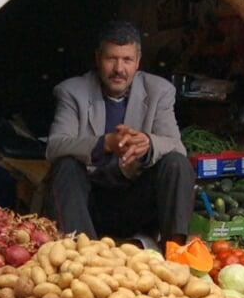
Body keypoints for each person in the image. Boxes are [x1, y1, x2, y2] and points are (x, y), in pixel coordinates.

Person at [44, 21, 193, 244]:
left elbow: (176, 145)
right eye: (111, 58)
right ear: (97, 58)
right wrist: (104, 143)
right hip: (87, 205)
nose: (119, 69)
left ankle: (176, 252)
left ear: (138, 63)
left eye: (127, 60)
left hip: (134, 202)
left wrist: (148, 144)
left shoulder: (159, 91)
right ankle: (85, 255)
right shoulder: (72, 92)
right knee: (65, 166)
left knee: (177, 163)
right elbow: (54, 146)